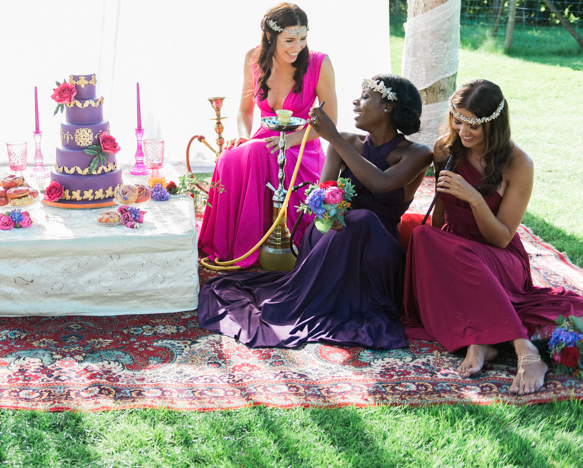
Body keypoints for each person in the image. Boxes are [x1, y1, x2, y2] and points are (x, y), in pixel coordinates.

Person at [199, 75, 432, 348]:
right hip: (331, 236)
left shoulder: (417, 154)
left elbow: (381, 184)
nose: (356, 102)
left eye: (366, 96)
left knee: (363, 219)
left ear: (387, 107)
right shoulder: (346, 141)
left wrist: (332, 135)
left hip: (376, 251)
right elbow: (320, 197)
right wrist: (326, 213)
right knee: (341, 223)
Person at [402, 79, 583, 395]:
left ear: (494, 123)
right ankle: (481, 340)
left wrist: (474, 198)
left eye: (474, 123)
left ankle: (525, 349)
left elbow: (501, 238)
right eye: (458, 119)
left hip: (499, 257)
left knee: (443, 247)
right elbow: (442, 213)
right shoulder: (445, 149)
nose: (463, 130)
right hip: (454, 247)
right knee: (425, 237)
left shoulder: (518, 163)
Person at [198, 2, 337, 267]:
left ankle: (273, 243)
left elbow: (330, 121)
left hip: (302, 143)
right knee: (229, 157)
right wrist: (243, 136)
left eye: (303, 38)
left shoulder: (320, 62)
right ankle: (235, 245)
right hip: (264, 139)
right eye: (289, 40)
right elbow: (244, 110)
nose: (297, 47)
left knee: (257, 152)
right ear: (271, 36)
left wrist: (290, 140)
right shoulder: (253, 58)